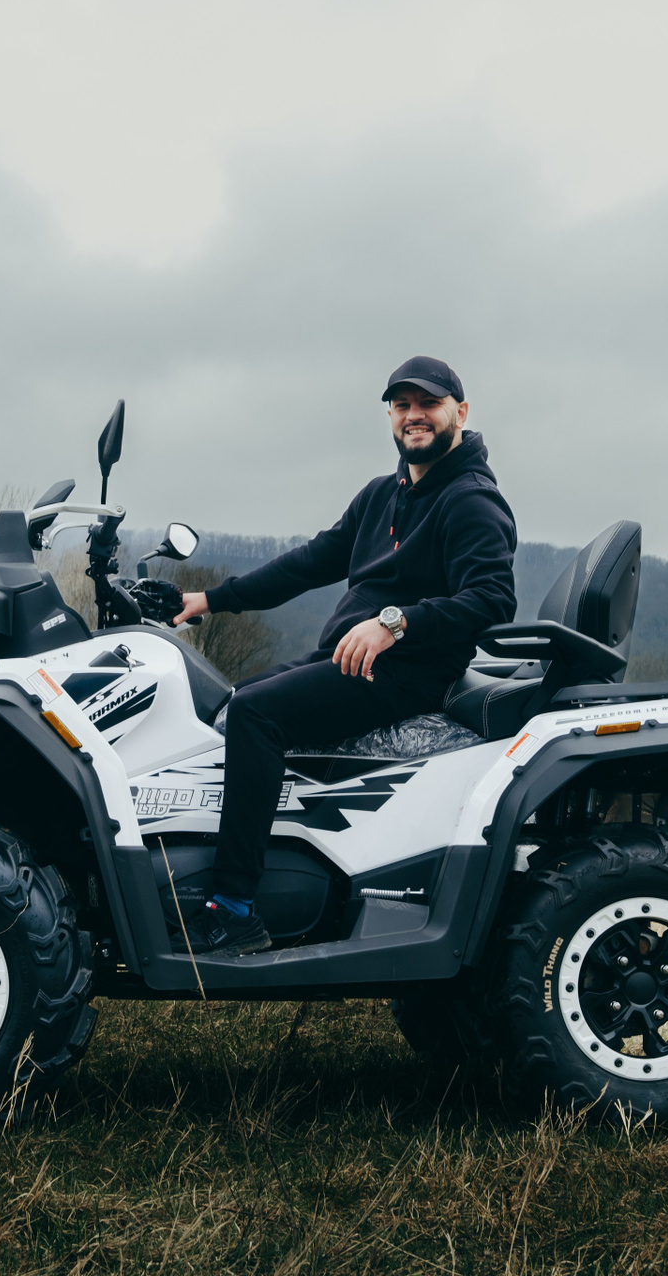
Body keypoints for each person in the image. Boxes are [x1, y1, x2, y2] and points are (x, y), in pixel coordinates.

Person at [169, 355, 517, 954]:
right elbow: (309, 563)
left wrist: (396, 623)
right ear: (391, 416)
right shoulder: (384, 494)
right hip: (350, 662)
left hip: (406, 673)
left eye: (429, 404)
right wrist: (209, 599)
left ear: (460, 413)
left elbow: (492, 598)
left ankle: (233, 910)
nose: (414, 415)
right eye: (402, 405)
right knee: (232, 703)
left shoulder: (471, 500)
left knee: (255, 714)